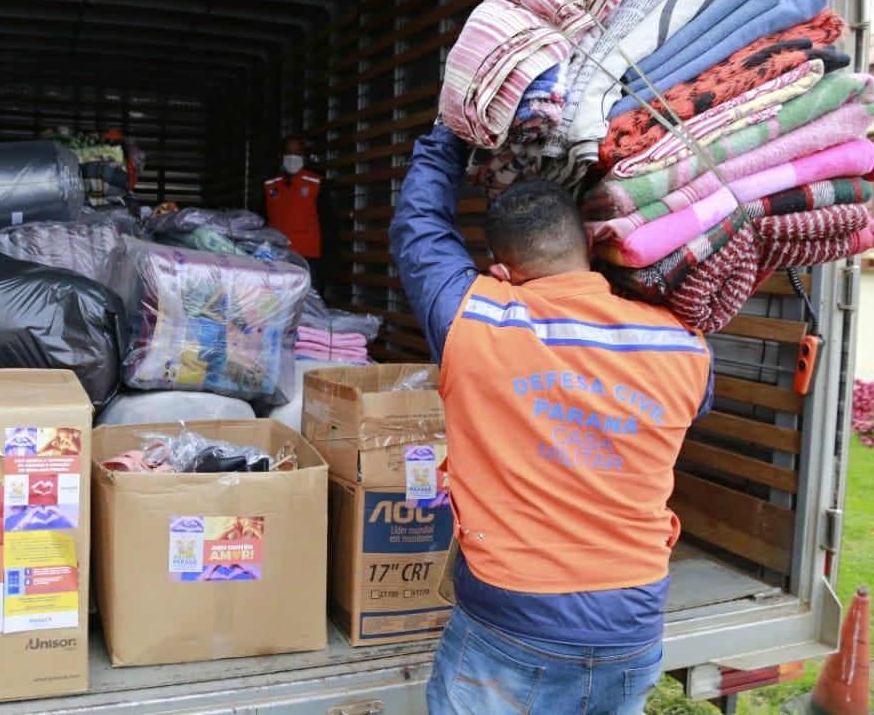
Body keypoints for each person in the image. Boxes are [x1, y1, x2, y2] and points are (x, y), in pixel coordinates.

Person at [389, 124, 714, 715]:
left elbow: (420, 228)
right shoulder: (687, 349)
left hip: (508, 624)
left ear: (501, 272)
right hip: (633, 625)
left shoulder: (472, 320)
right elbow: (695, 404)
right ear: (591, 250)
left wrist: (449, 136)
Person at [262, 137, 333, 295]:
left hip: (308, 259)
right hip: (276, 258)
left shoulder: (317, 184)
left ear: (305, 156)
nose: (293, 157)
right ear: (281, 155)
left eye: (298, 153)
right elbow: (261, 221)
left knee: (309, 306)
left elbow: (328, 225)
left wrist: (327, 263)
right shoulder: (269, 185)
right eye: (289, 152)